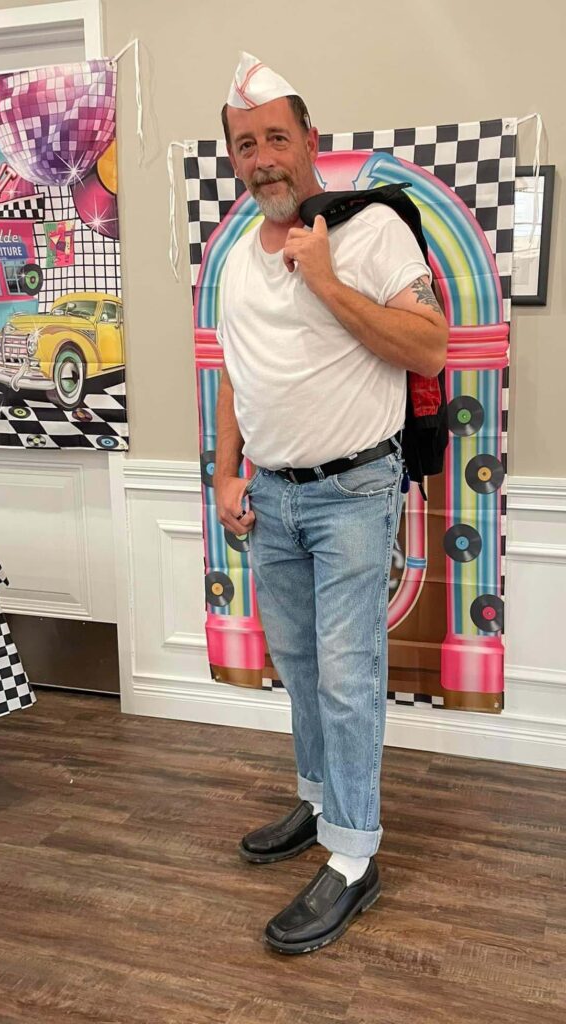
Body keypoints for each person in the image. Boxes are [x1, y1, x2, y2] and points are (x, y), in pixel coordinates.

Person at [214, 52, 448, 955]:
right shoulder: (237, 256)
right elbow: (238, 376)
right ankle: (319, 804)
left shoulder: (372, 229)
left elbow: (427, 349)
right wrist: (228, 476)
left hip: (355, 488)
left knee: (349, 678)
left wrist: (326, 280)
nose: (264, 156)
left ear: (311, 142)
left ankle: (354, 857)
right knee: (304, 666)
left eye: (278, 137)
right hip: (271, 497)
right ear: (234, 158)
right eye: (246, 144)